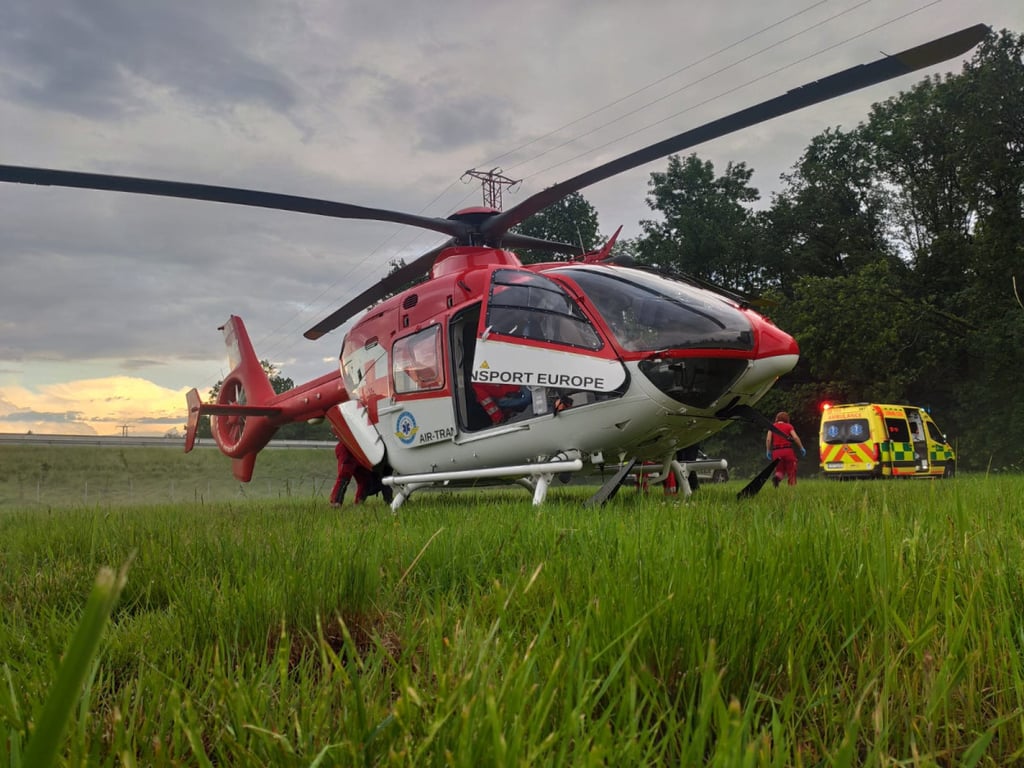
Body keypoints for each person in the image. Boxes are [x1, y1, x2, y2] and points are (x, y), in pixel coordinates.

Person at [765, 411, 806, 487]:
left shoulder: (772, 427)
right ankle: (792, 488)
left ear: (777, 418)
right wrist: (801, 447)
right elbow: (795, 437)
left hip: (776, 452)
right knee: (791, 470)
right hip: (787, 451)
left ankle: (777, 478)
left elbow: (768, 439)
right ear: (786, 419)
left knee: (779, 470)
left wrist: (768, 450)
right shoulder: (789, 426)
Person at [331, 439, 374, 506]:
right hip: (348, 448)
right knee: (344, 477)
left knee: (366, 481)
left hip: (361, 451)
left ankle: (359, 503)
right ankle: (335, 503)